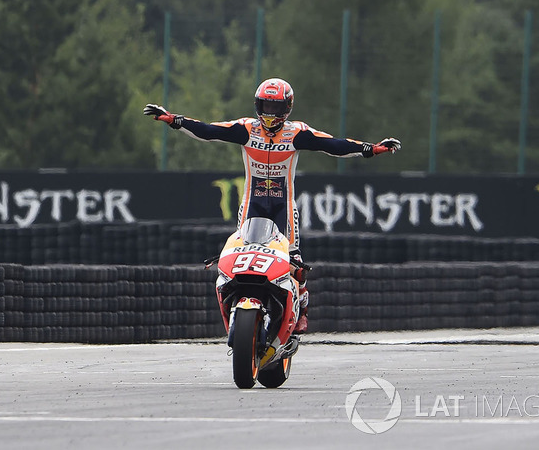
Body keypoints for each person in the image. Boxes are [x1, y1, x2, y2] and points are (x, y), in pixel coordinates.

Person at [143, 78, 401, 333]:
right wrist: (174, 120)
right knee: (241, 251)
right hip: (252, 203)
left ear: (287, 108)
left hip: (283, 206)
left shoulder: (296, 132)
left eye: (275, 108)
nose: (269, 113)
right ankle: (239, 299)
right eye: (265, 106)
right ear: (257, 105)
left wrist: (371, 149)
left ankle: (302, 304)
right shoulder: (245, 128)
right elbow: (209, 131)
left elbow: (333, 145)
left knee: (294, 260)